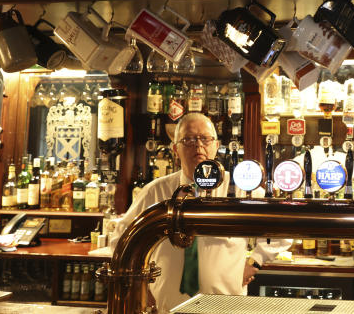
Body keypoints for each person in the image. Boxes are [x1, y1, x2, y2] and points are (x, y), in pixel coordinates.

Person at [114, 113, 288, 313]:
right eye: (188, 139)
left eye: (205, 139)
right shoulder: (156, 191)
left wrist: (254, 261)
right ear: (175, 150)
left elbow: (282, 227)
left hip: (226, 305)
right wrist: (140, 285)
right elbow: (121, 238)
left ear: (216, 145)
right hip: (167, 306)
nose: (198, 146)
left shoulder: (240, 188)